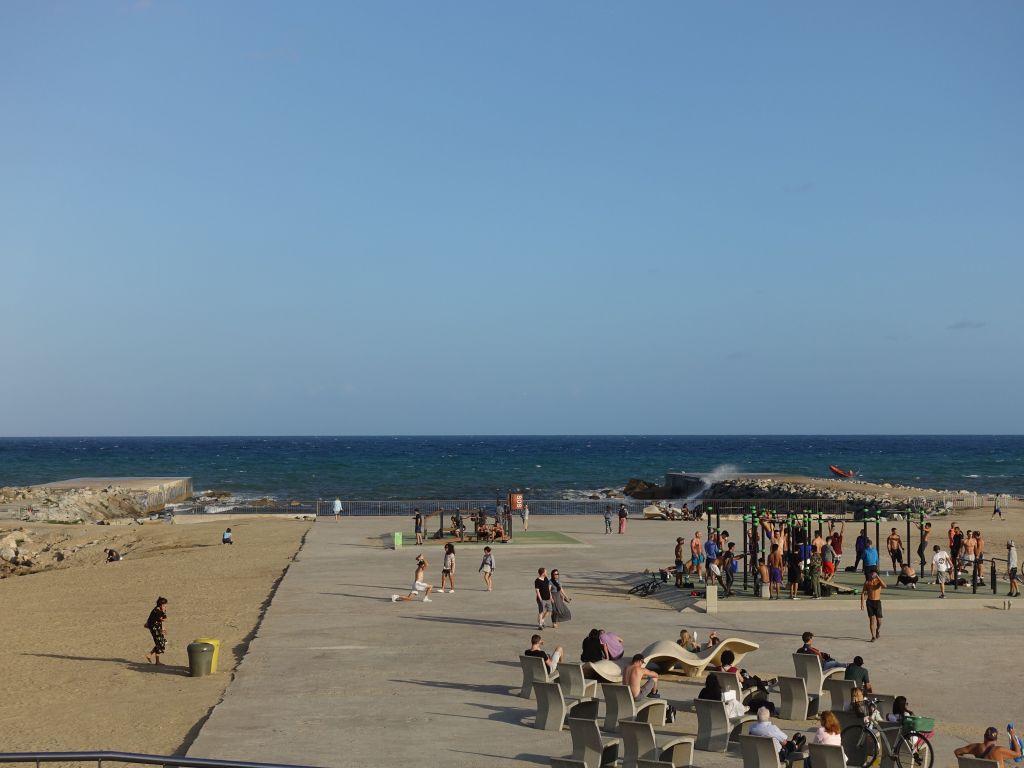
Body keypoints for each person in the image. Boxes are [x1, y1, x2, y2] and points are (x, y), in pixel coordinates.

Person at [955, 726, 1022, 767]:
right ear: (996, 739)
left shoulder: (975, 747)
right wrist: (1012, 736)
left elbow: (957, 752)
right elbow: (1018, 754)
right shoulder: (999, 750)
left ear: (984, 736)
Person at [861, 569, 886, 642]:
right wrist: (862, 604)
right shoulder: (867, 582)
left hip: (877, 602)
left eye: (873, 574)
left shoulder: (879, 582)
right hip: (869, 602)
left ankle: (877, 630)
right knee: (872, 621)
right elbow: (863, 593)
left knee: (879, 622)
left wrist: (878, 577)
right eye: (871, 574)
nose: (872, 575)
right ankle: (873, 636)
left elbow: (884, 586)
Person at [144, 596, 169, 665]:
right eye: (164, 605)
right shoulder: (157, 611)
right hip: (154, 629)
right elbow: (163, 619)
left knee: (162, 643)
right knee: (160, 644)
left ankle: (151, 656)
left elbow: (160, 621)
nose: (165, 606)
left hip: (157, 628)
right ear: (161, 605)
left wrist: (163, 628)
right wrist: (164, 612)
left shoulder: (159, 610)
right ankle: (154, 658)